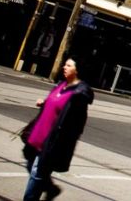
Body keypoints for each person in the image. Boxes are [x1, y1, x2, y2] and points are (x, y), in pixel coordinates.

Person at [22, 57, 93, 201]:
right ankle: (51, 189)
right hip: (37, 135)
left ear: (77, 70)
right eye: (65, 64)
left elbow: (76, 123)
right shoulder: (61, 85)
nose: (64, 67)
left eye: (68, 65)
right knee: (30, 165)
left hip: (51, 142)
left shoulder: (79, 95)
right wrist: (44, 103)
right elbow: (56, 105)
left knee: (36, 175)